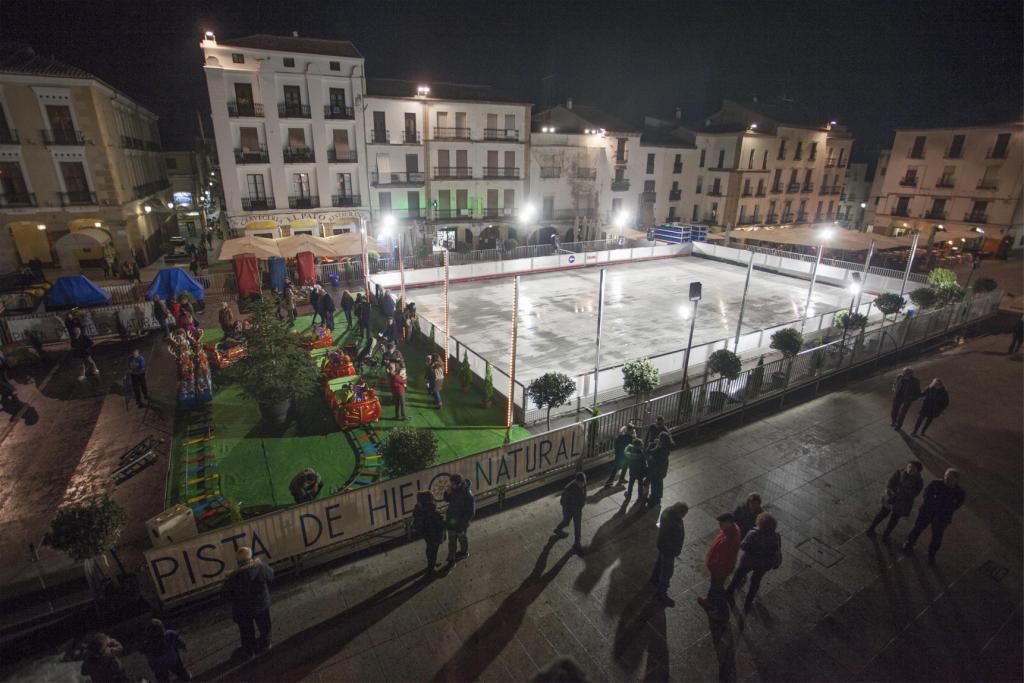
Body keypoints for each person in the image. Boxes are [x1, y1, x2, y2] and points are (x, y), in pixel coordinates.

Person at [901, 468, 966, 564]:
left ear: (956, 480)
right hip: (927, 511)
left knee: (937, 536)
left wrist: (941, 506)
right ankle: (909, 543)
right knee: (917, 528)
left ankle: (932, 553)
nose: (946, 480)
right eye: (945, 477)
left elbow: (955, 506)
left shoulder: (960, 493)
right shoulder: (936, 483)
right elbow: (926, 494)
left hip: (942, 517)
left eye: (949, 479)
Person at [222, 546, 274, 657]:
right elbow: (271, 576)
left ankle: (249, 651)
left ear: (238, 561)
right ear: (251, 556)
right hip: (261, 605)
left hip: (242, 610)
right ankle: (265, 644)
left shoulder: (232, 578)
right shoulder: (260, 568)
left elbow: (225, 594)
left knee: (246, 632)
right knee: (265, 627)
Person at [725, 511, 780, 614]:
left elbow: (743, 546)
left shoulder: (753, 534)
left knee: (739, 574)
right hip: (764, 563)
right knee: (756, 581)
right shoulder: (776, 536)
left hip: (749, 560)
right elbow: (776, 549)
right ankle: (748, 603)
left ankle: (729, 591)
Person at [698, 512, 742, 616]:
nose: (719, 526)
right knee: (714, 586)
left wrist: (713, 565)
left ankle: (722, 613)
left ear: (729, 523)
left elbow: (722, 559)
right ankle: (709, 600)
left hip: (719, 569)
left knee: (718, 589)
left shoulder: (729, 539)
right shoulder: (732, 529)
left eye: (721, 523)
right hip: (721, 567)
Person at [868, 461, 924, 539]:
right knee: (882, 514)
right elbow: (890, 483)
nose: (910, 469)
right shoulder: (899, 473)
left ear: (918, 471)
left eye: (913, 468)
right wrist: (891, 492)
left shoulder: (919, 482)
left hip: (903, 503)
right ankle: (871, 528)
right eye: (909, 466)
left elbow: (915, 493)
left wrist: (904, 495)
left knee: (894, 519)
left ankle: (886, 534)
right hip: (892, 498)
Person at [651, 502, 688, 606]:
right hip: (668, 550)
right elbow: (673, 537)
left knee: (659, 563)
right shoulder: (674, 521)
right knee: (667, 572)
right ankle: (661, 592)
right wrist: (674, 550)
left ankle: (654, 579)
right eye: (684, 514)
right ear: (680, 512)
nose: (684, 517)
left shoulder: (668, 511)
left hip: (662, 546)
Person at [443, 473, 475, 568]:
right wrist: (446, 493)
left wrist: (463, 524)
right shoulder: (453, 490)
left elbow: (470, 512)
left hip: (461, 522)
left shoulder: (468, 494)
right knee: (452, 538)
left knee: (461, 537)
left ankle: (463, 552)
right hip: (452, 519)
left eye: (452, 483)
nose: (450, 485)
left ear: (459, 483)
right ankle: (451, 557)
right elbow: (446, 499)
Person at [413, 491, 446, 577]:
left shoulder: (418, 509)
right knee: (433, 551)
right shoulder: (433, 511)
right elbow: (441, 524)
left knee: (429, 549)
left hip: (426, 534)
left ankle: (431, 565)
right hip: (434, 534)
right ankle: (431, 569)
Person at [553, 472, 587, 551]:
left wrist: (582, 503)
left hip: (577, 509)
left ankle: (576, 543)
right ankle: (559, 530)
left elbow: (584, 494)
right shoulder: (569, 489)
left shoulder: (583, 484)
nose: (582, 485)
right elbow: (563, 501)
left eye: (583, 483)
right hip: (570, 509)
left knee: (577, 525)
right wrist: (569, 510)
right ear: (576, 481)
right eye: (580, 483)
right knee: (567, 521)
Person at [646, 431, 672, 508]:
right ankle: (659, 496)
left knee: (654, 485)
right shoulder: (666, 448)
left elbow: (649, 452)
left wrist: (651, 445)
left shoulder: (659, 449)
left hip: (655, 470)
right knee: (660, 482)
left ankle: (652, 500)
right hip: (662, 469)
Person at [624, 438, 648, 503]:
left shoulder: (631, 452)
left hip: (632, 471)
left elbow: (626, 452)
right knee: (640, 484)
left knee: (631, 484)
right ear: (639, 446)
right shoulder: (642, 452)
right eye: (641, 444)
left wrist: (628, 446)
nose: (643, 445)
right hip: (640, 471)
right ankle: (640, 496)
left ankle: (629, 495)